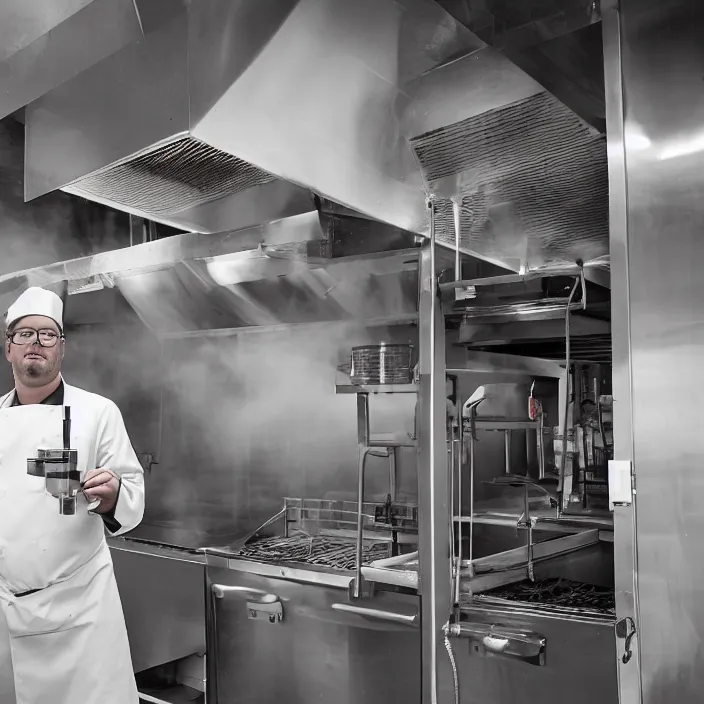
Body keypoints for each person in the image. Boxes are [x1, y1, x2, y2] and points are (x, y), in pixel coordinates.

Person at [0, 286, 145, 704]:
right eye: (24, 334)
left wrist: (116, 494)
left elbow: (132, 498)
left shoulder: (98, 413)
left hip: (80, 609)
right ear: (8, 348)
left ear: (61, 348)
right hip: (7, 607)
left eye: (47, 335)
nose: (35, 344)